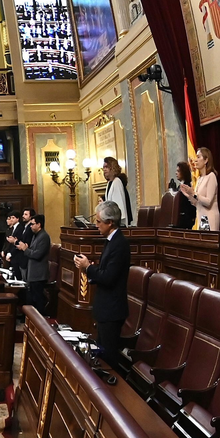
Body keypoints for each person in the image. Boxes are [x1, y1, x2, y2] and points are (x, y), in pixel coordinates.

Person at [73, 201, 130, 367]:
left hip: (112, 310)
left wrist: (88, 268)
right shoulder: (110, 241)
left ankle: (111, 384)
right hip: (105, 309)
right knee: (101, 355)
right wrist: (88, 270)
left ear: (110, 222)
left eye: (98, 221)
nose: (96, 225)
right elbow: (104, 271)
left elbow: (109, 278)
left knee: (108, 359)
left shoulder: (119, 244)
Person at [180, 147, 219, 231]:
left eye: (198, 157)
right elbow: (197, 203)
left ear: (206, 160)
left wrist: (193, 193)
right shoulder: (199, 179)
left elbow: (208, 202)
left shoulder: (211, 176)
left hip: (210, 219)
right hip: (201, 219)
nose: (195, 160)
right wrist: (188, 195)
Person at [20, 214, 51, 317]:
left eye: (32, 224)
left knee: (38, 299)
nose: (31, 226)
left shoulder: (44, 237)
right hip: (33, 273)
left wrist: (25, 249)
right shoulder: (36, 235)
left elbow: (37, 255)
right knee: (32, 298)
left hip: (39, 274)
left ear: (39, 224)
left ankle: (39, 320)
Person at [101, 156, 132, 227]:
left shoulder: (117, 182)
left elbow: (118, 206)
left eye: (107, 167)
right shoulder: (110, 183)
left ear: (113, 168)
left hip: (117, 223)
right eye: (103, 167)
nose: (104, 169)